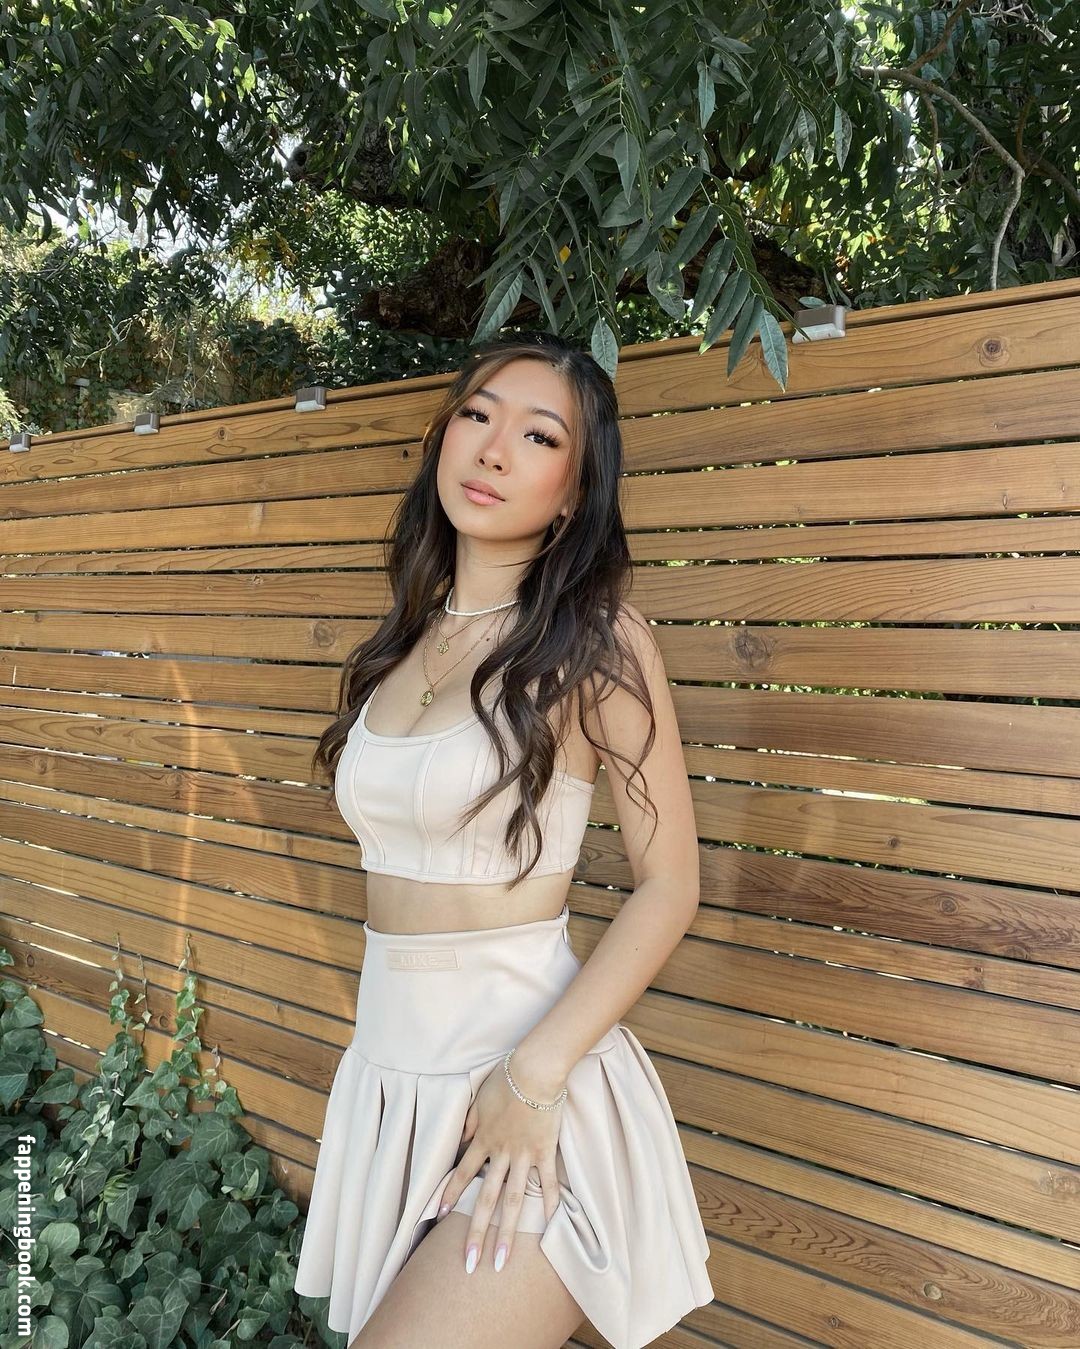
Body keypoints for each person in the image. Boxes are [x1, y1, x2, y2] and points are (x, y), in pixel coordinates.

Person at [292, 331, 714, 1348]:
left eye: (538, 435)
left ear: (574, 492)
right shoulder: (407, 639)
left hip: (531, 1088)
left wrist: (535, 1077)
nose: (492, 448)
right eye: (478, 415)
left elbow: (670, 884)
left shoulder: (597, 642)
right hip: (396, 1078)